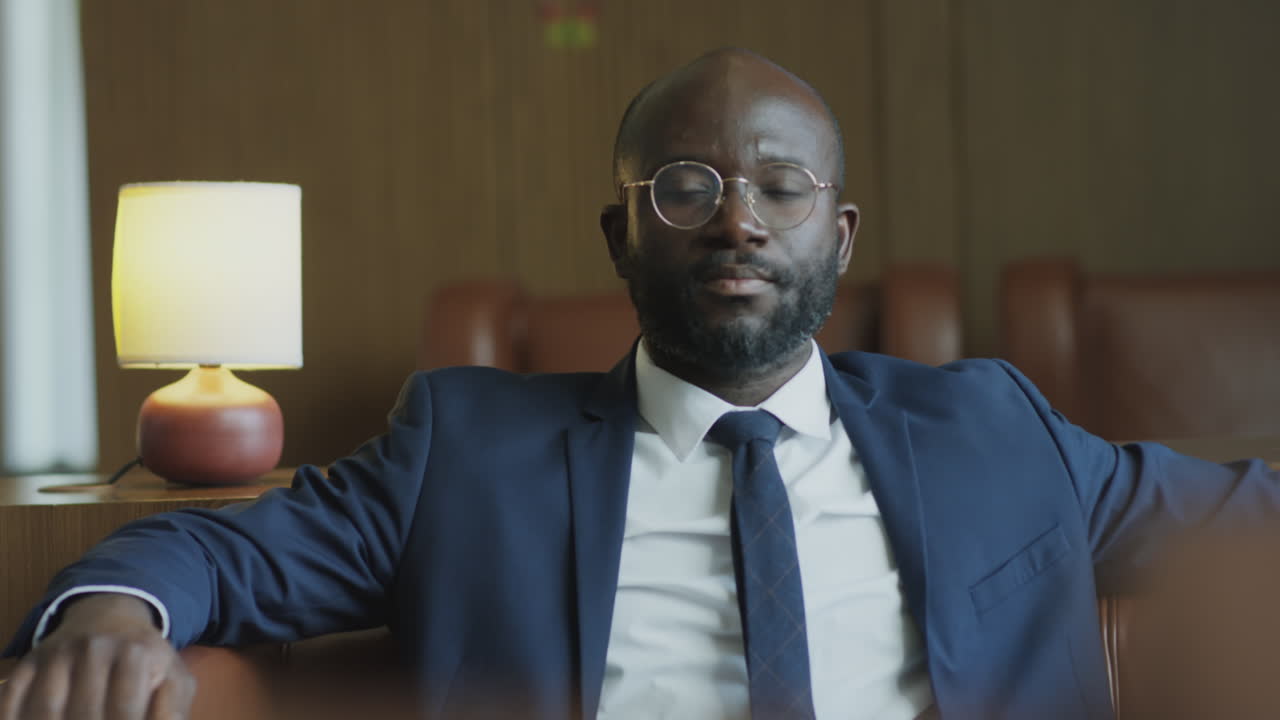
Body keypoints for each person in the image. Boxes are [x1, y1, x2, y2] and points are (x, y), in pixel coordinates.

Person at [1, 47, 1277, 720]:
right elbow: (207, 556)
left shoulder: (993, 428)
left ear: (835, 238)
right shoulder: (466, 446)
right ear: (621, 238)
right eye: (684, 188)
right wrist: (106, 614)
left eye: (779, 189)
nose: (736, 225)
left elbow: (1245, 515)